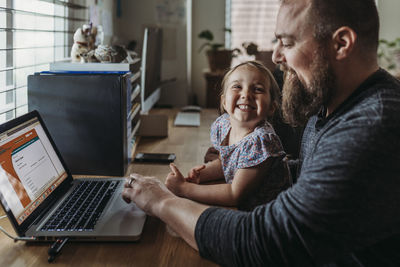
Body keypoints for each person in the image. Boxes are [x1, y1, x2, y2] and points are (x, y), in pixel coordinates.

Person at [122, 0, 400, 265]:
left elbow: (262, 243)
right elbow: (316, 174)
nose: (277, 56)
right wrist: (250, 165)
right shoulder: (332, 104)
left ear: (341, 44)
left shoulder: (373, 125)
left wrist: (162, 202)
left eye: (287, 42)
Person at [165, 61, 291, 211]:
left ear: (271, 107)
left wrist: (184, 188)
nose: (246, 94)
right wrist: (202, 174)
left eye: (257, 89)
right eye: (237, 87)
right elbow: (227, 162)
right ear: (224, 102)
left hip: (264, 217)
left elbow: (234, 194)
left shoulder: (261, 141)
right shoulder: (224, 125)